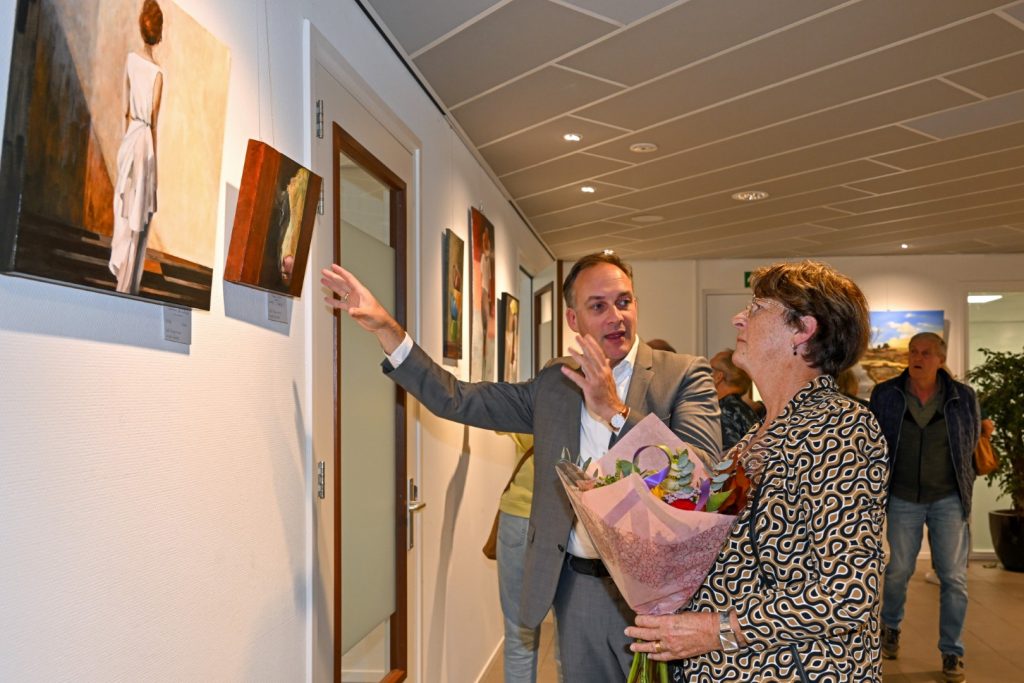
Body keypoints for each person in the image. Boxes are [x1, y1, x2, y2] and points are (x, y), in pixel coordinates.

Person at [321, 251, 721, 680]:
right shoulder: (555, 384)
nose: (616, 317)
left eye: (624, 302)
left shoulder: (682, 374)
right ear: (573, 319)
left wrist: (616, 410)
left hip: (662, 597)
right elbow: (457, 398)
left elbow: (700, 471)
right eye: (598, 306)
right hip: (579, 587)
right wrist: (389, 330)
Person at [625, 260, 888, 682]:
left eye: (758, 307)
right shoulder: (754, 435)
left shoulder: (839, 428)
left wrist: (716, 630)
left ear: (802, 330)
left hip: (793, 669)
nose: (739, 318)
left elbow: (848, 593)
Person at [869, 332, 981, 683]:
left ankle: (952, 651)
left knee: (954, 577)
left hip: (948, 497)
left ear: (941, 359)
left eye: (926, 353)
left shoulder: (963, 397)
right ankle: (890, 628)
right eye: (913, 352)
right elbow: (873, 444)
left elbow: (971, 440)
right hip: (902, 496)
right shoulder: (886, 394)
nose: (917, 358)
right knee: (899, 570)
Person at [109, 0, 164, 295]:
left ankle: (124, 279)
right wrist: (156, 170)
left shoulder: (131, 61)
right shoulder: (158, 73)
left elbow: (124, 110)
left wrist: (124, 143)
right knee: (140, 214)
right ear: (159, 32)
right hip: (145, 144)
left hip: (131, 139)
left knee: (126, 211)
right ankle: (129, 284)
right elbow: (154, 122)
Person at [709, 349, 759, 450]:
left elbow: (728, 461)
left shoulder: (721, 412)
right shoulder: (747, 410)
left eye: (709, 370)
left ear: (718, 377)